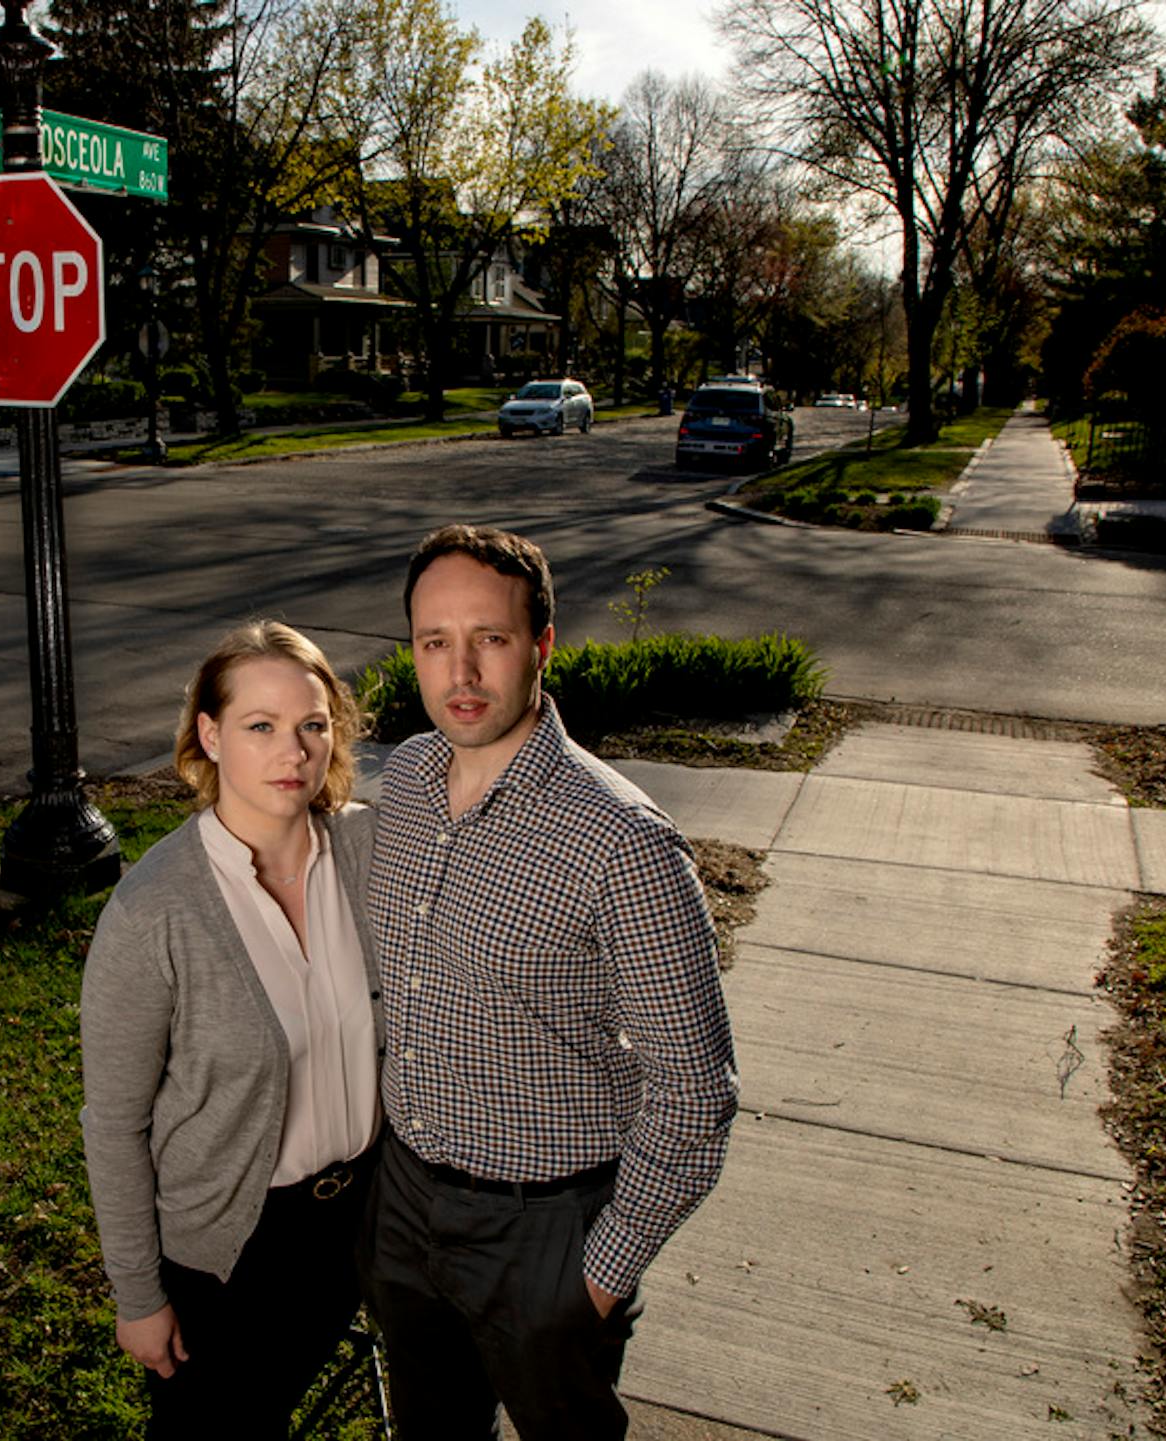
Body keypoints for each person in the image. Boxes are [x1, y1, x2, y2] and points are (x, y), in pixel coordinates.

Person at [359, 524, 739, 1440]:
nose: (460, 672)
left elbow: (696, 1094)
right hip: (404, 1205)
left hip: (546, 1233)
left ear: (540, 646)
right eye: (433, 641)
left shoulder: (625, 842)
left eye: (488, 638)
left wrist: (597, 1275)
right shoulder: (406, 778)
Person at [79, 620, 382, 1437]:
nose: (294, 752)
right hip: (233, 1248)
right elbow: (113, 1124)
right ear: (209, 735)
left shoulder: (366, 851)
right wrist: (138, 1296)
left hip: (366, 1217)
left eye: (312, 725)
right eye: (261, 726)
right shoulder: (153, 909)